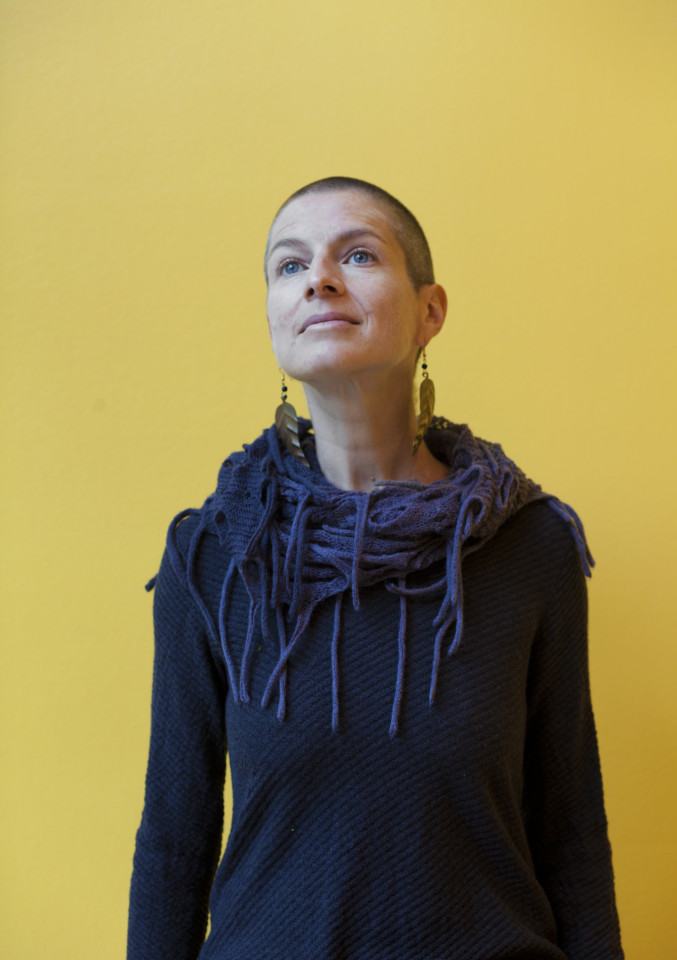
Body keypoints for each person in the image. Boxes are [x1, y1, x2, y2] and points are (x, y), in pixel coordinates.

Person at [127, 177, 624, 960]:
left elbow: (571, 837)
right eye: (288, 267)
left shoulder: (530, 546)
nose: (318, 279)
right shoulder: (216, 553)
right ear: (272, 318)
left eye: (356, 255)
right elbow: (173, 842)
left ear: (430, 312)